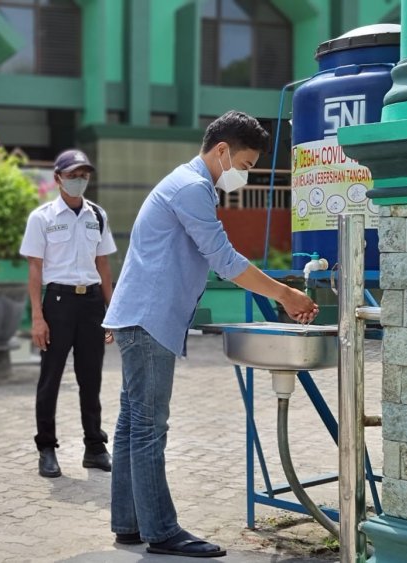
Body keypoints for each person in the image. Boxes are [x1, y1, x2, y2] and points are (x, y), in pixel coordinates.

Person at [103, 111, 319, 558]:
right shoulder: (192, 187)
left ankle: (129, 524)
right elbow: (224, 259)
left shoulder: (184, 183)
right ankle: (161, 532)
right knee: (148, 427)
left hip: (140, 316)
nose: (246, 173)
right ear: (221, 150)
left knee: (132, 423)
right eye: (245, 164)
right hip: (148, 319)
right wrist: (285, 295)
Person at [20, 149, 117, 478]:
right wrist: (37, 317)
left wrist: (112, 311)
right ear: (58, 178)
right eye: (73, 175)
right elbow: (35, 270)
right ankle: (46, 448)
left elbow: (103, 265)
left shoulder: (97, 216)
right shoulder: (43, 218)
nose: (79, 181)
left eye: (84, 175)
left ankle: (94, 447)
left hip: (91, 304)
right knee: (51, 380)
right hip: (58, 304)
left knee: (91, 380)